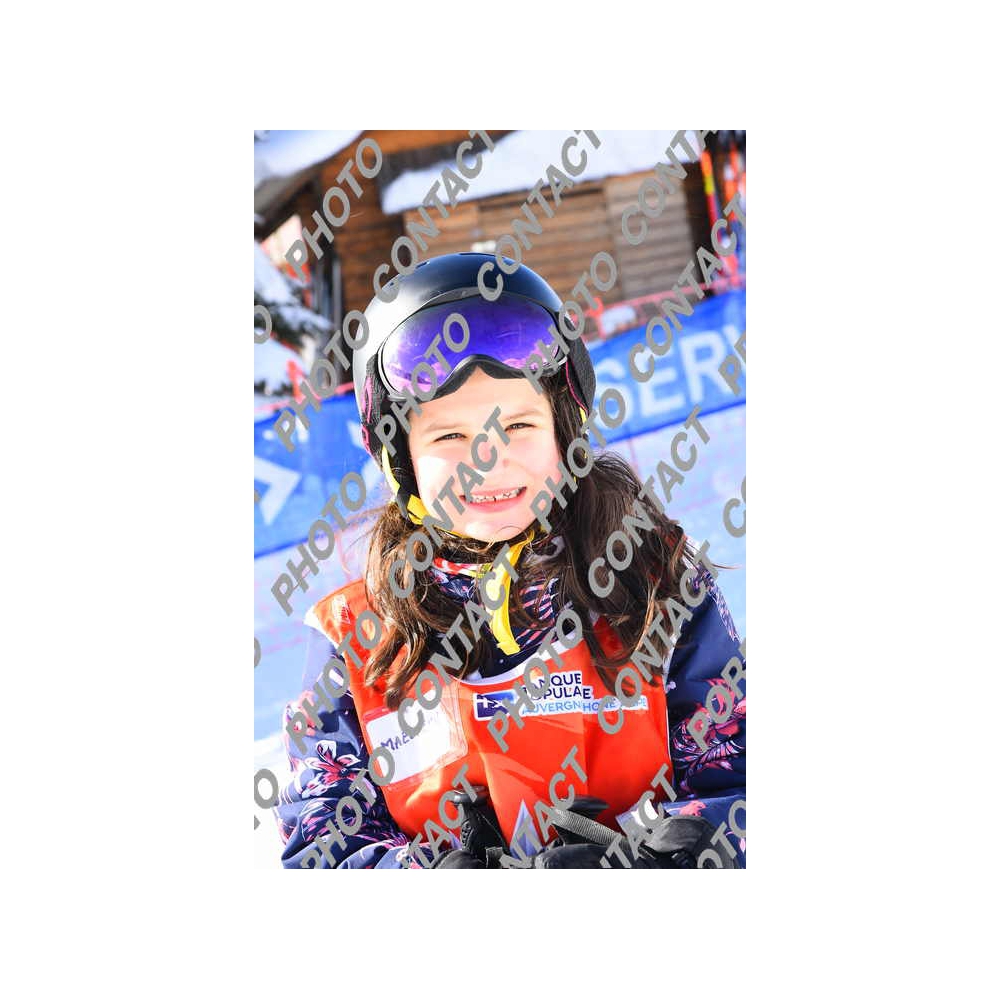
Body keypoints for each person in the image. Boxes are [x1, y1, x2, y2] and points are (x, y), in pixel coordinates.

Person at [272, 253, 746, 869]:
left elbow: (739, 778)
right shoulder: (355, 638)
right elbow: (321, 842)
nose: (488, 461)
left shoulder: (657, 585)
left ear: (563, 432)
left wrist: (666, 860)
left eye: (519, 425)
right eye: (449, 436)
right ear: (400, 458)